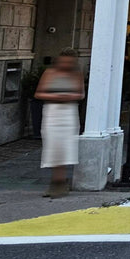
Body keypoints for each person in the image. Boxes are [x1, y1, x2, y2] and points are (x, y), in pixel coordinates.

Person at [34, 49, 84, 198]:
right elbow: (38, 93)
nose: (66, 64)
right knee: (53, 145)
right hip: (52, 110)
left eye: (69, 62)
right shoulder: (50, 73)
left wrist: (69, 96)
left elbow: (80, 94)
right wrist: (56, 96)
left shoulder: (76, 74)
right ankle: (56, 181)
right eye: (64, 61)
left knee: (65, 146)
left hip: (69, 112)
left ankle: (60, 182)